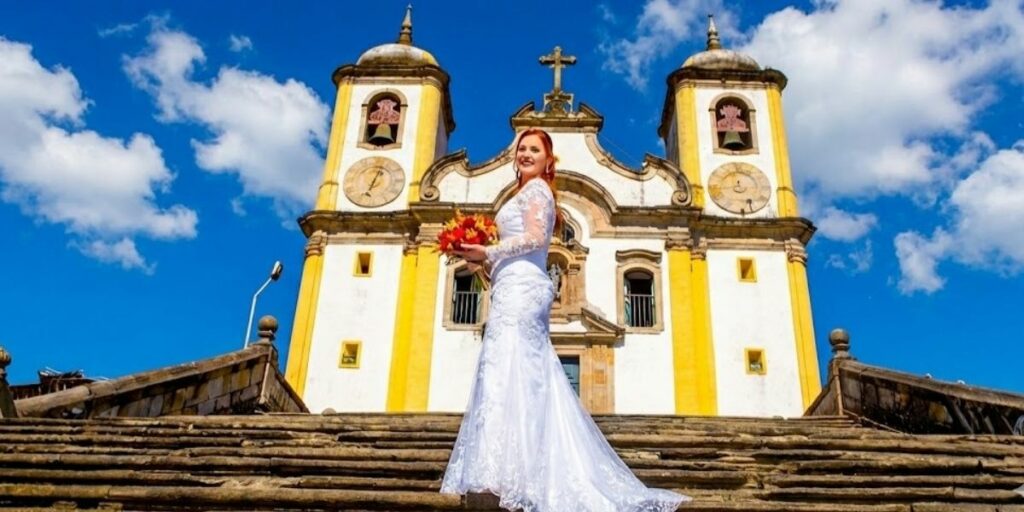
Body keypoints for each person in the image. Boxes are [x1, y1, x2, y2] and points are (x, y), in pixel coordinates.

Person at [441, 128, 689, 511]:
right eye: (521, 148)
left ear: (547, 159)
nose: (525, 154)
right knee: (506, 370)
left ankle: (512, 472)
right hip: (510, 287)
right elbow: (515, 254)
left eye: (534, 149)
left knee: (514, 368)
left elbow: (535, 239)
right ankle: (503, 470)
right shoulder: (522, 193)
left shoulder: (539, 190)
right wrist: (480, 263)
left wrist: (488, 251)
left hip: (524, 290)